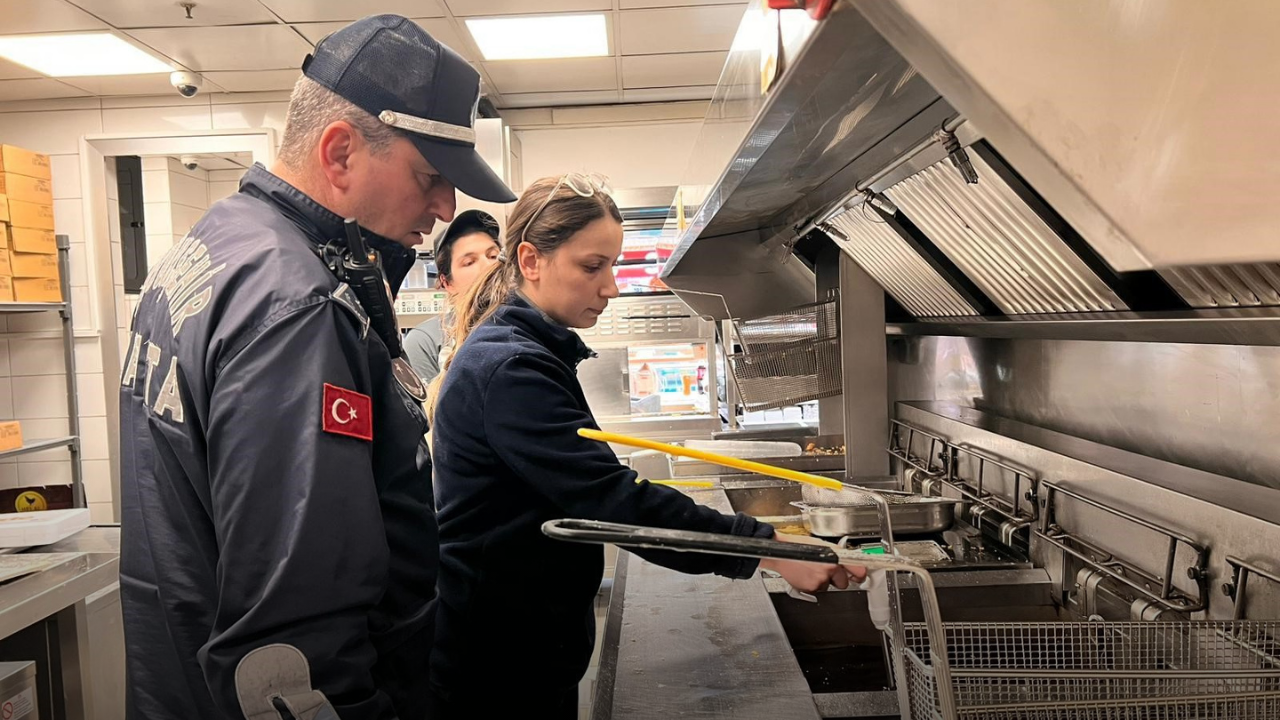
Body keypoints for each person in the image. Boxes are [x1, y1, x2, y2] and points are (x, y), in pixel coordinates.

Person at [118, 15, 515, 720]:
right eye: (430, 176)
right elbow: (293, 646)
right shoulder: (296, 308)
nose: (446, 207)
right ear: (339, 153)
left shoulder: (213, 246)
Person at [427, 174, 861, 718]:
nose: (610, 287)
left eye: (612, 265)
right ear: (531, 261)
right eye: (593, 266)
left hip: (518, 646)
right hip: (497, 665)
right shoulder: (512, 368)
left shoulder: (521, 351)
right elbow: (614, 501)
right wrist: (768, 548)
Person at [403, 209, 502, 384]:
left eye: (493, 256)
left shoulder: (526, 323)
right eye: (469, 262)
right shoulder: (425, 341)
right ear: (446, 282)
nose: (488, 266)